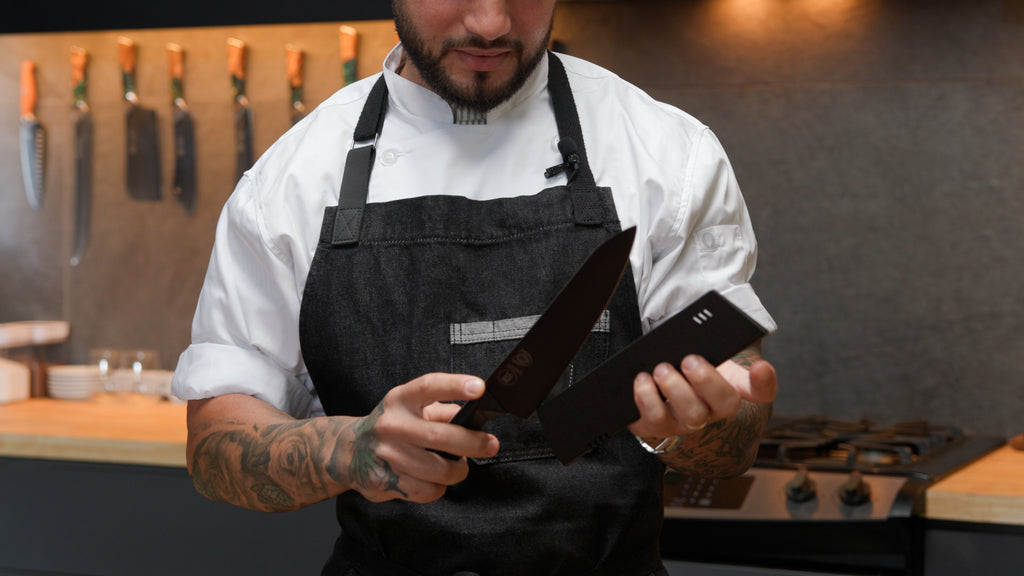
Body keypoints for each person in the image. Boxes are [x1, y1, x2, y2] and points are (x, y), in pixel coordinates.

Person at [171, 1, 779, 575]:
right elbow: (214, 447)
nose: (491, 23)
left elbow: (736, 438)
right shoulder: (290, 182)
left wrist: (698, 423)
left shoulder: (668, 155)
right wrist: (348, 446)